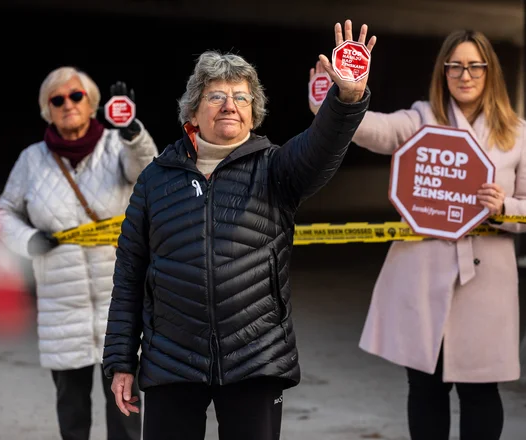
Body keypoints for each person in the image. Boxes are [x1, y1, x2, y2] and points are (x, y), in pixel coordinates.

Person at [102, 20, 374, 440]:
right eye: (216, 96)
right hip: (171, 360)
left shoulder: (277, 168)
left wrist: (347, 97)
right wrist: (121, 359)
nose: (230, 104)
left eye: (241, 97)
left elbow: (322, 147)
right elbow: (129, 274)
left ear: (254, 111)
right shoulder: (156, 179)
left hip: (257, 358)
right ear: (192, 111)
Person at [309, 29, 526, 440]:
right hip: (422, 278)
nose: (465, 74)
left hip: (485, 283)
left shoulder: (518, 132)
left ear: (491, 72)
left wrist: (504, 208)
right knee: (425, 387)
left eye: (475, 65)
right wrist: (341, 100)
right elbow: (373, 130)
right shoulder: (420, 118)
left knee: (481, 391)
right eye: (454, 65)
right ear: (443, 72)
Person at [0, 66, 157, 440]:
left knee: (126, 409)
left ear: (93, 103)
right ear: (47, 110)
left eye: (76, 96)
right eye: (58, 99)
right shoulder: (31, 160)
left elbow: (149, 172)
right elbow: (3, 212)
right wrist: (29, 239)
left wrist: (133, 132)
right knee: (72, 413)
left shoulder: (118, 147)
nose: (68, 104)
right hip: (61, 309)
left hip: (120, 305)